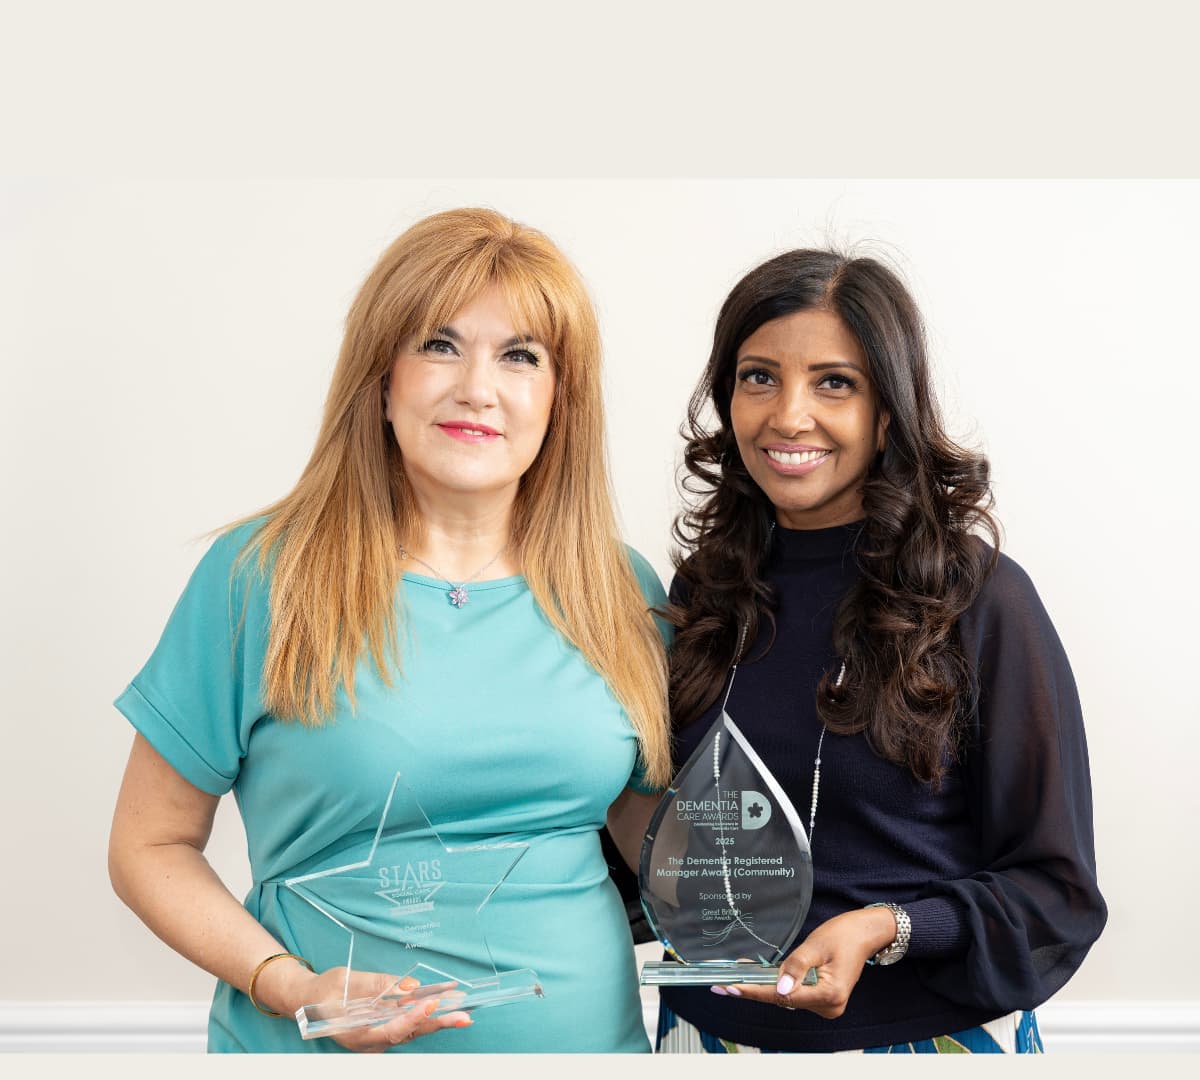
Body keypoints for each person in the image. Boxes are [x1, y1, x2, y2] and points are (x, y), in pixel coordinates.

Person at [107, 208, 672, 1053]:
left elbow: (650, 837)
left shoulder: (619, 588)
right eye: (439, 345)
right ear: (381, 380)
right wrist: (286, 983)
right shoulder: (262, 577)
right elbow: (149, 845)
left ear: (560, 400)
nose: (478, 387)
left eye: (521, 356)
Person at [652, 248, 1107, 1053]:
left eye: (835, 382)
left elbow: (1056, 890)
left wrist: (888, 927)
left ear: (888, 410)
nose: (789, 416)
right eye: (759, 377)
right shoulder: (704, 591)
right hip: (705, 1038)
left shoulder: (978, 598)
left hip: (917, 1043)